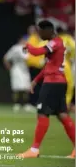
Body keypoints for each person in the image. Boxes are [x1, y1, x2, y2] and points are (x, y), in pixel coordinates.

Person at [17, 20, 75, 158]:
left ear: (48, 30)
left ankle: (34, 150)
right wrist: (36, 81)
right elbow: (48, 66)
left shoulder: (55, 42)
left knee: (42, 114)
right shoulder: (56, 43)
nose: (40, 35)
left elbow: (37, 52)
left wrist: (28, 46)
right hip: (58, 82)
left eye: (41, 32)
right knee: (62, 115)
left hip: (53, 84)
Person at [3, 36, 35, 113]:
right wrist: (10, 68)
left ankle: (26, 104)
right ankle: (17, 104)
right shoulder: (16, 48)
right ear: (21, 40)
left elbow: (5, 58)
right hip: (17, 69)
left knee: (26, 87)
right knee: (17, 87)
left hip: (24, 69)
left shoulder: (26, 48)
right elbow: (6, 58)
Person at [56, 26, 75, 112]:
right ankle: (65, 105)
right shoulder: (68, 38)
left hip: (54, 65)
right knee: (69, 85)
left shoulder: (53, 40)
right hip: (65, 64)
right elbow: (74, 48)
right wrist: (72, 57)